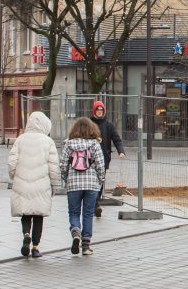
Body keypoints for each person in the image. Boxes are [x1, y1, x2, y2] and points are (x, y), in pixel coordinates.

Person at [8, 111, 59, 258]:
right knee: (38, 215)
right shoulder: (48, 142)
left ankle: (26, 234)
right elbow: (53, 166)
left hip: (22, 182)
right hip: (41, 184)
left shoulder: (20, 139)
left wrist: (14, 176)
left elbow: (12, 162)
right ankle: (35, 247)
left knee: (25, 213)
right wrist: (54, 184)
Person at [60, 117, 106, 256]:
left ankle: (76, 233)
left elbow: (63, 165)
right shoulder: (95, 145)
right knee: (88, 214)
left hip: (74, 184)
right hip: (91, 185)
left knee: (74, 213)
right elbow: (100, 165)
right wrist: (100, 180)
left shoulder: (68, 144)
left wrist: (66, 178)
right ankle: (86, 247)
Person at [90, 101, 125, 218]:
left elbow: (117, 139)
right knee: (92, 182)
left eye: (101, 110)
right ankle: (95, 205)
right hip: (90, 159)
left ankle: (95, 203)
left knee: (100, 181)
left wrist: (121, 151)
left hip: (104, 158)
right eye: (97, 110)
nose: (99, 112)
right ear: (94, 111)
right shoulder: (89, 124)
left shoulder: (109, 125)